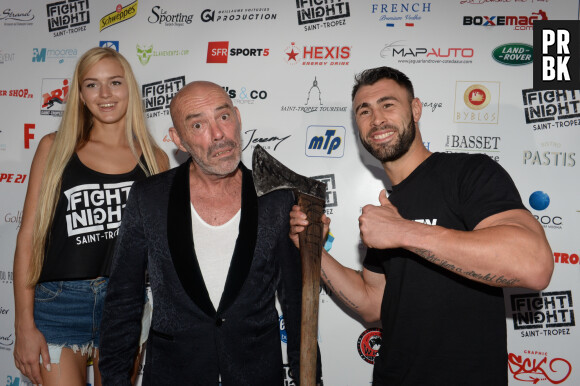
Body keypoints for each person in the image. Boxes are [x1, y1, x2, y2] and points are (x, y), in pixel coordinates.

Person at [290, 66, 554, 385]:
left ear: (415, 110)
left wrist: (403, 231)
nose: (376, 119)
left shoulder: (467, 173)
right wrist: (313, 250)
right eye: (364, 110)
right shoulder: (385, 207)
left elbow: (533, 265)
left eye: (388, 105)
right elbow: (373, 305)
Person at [99, 81, 319, 385]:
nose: (218, 134)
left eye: (224, 117)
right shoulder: (149, 198)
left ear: (238, 117)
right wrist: (114, 380)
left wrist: (310, 378)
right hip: (174, 375)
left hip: (256, 374)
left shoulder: (277, 199)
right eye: (198, 124)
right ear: (178, 139)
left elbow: (297, 302)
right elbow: (124, 298)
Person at [13, 47, 169, 386]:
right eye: (92, 85)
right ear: (80, 95)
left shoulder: (156, 159)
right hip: (59, 304)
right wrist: (23, 325)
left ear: (129, 88)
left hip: (125, 303)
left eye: (114, 82)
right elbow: (27, 237)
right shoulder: (54, 148)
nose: (105, 94)